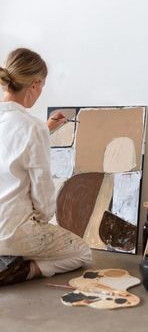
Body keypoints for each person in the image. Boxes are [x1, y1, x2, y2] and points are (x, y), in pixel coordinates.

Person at [0, 48, 92, 285]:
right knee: (82, 252)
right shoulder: (32, 128)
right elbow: (43, 195)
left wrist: (45, 129)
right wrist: (43, 218)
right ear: (35, 84)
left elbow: (11, 145)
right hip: (12, 231)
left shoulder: (31, 127)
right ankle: (23, 270)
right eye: (42, 87)